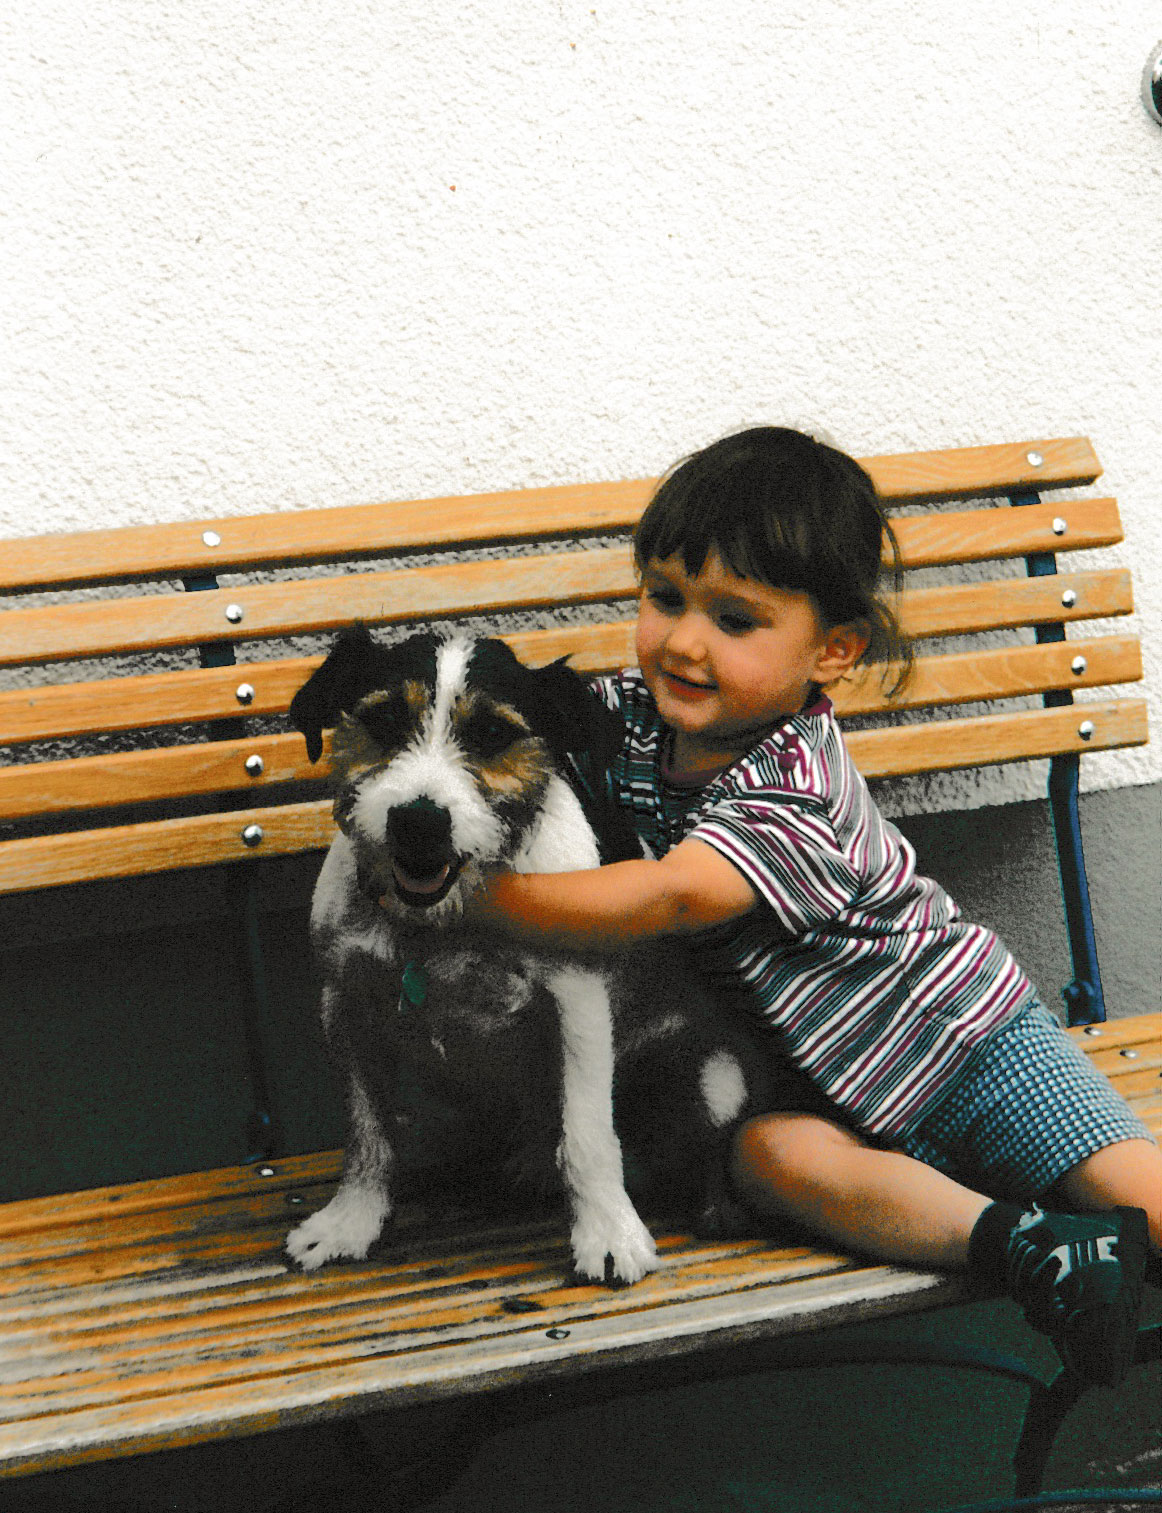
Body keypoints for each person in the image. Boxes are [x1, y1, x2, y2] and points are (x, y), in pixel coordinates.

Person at [465, 425, 1159, 1387]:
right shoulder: (624, 723)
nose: (684, 640)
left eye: (736, 619)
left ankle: (1101, 1226)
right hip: (818, 1095)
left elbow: (673, 893)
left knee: (1143, 1195)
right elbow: (519, 727)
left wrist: (477, 902)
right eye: (664, 597)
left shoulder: (799, 782)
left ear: (833, 650)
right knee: (765, 1159)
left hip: (965, 1047)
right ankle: (1036, 1247)